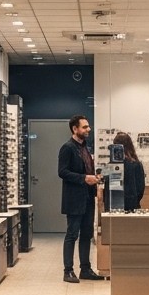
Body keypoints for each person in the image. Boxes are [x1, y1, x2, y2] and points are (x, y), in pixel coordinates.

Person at [58, 115, 107, 283]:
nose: (88, 129)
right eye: (85, 127)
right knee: (72, 234)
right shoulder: (67, 148)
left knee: (86, 234)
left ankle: (85, 269)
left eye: (88, 127)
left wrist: (95, 178)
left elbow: (87, 170)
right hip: (74, 199)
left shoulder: (85, 148)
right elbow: (62, 172)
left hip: (87, 198)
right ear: (75, 129)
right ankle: (68, 270)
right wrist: (84, 178)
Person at [114, 131, 146, 212]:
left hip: (115, 206)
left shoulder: (113, 165)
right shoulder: (136, 164)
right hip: (132, 206)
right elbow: (140, 188)